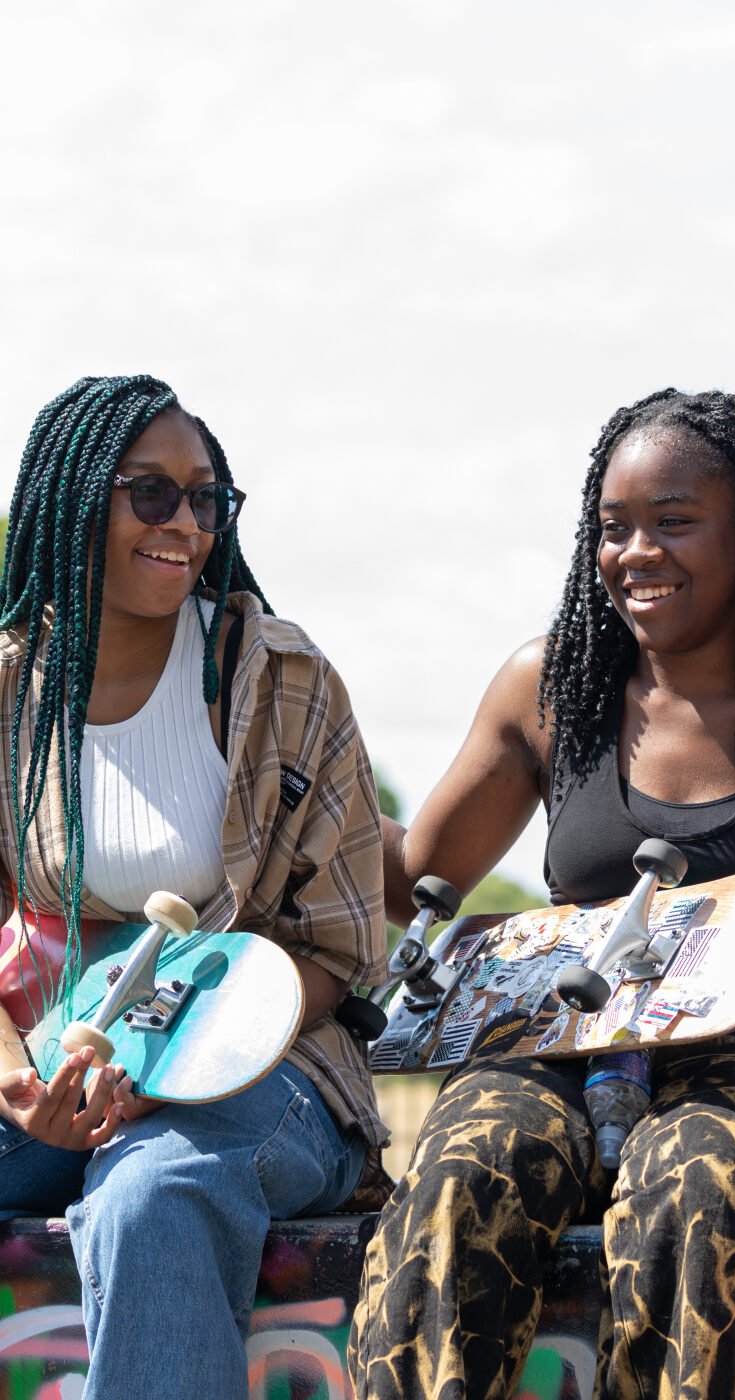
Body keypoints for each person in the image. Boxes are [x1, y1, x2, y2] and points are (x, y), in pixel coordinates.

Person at [348, 387, 735, 1400]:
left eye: (674, 520)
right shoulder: (547, 689)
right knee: (463, 1166)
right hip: (552, 1040)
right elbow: (413, 866)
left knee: (701, 1179)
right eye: (613, 527)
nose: (635, 550)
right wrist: (294, 756)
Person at [0, 374, 387, 1399]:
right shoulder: (8, 695)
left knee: (151, 1192)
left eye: (207, 498)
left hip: (267, 1064)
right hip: (58, 1064)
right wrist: (19, 1082)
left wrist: (181, 1047)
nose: (186, 523)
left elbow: (340, 949)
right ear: (78, 499)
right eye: (152, 494)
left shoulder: (285, 683)